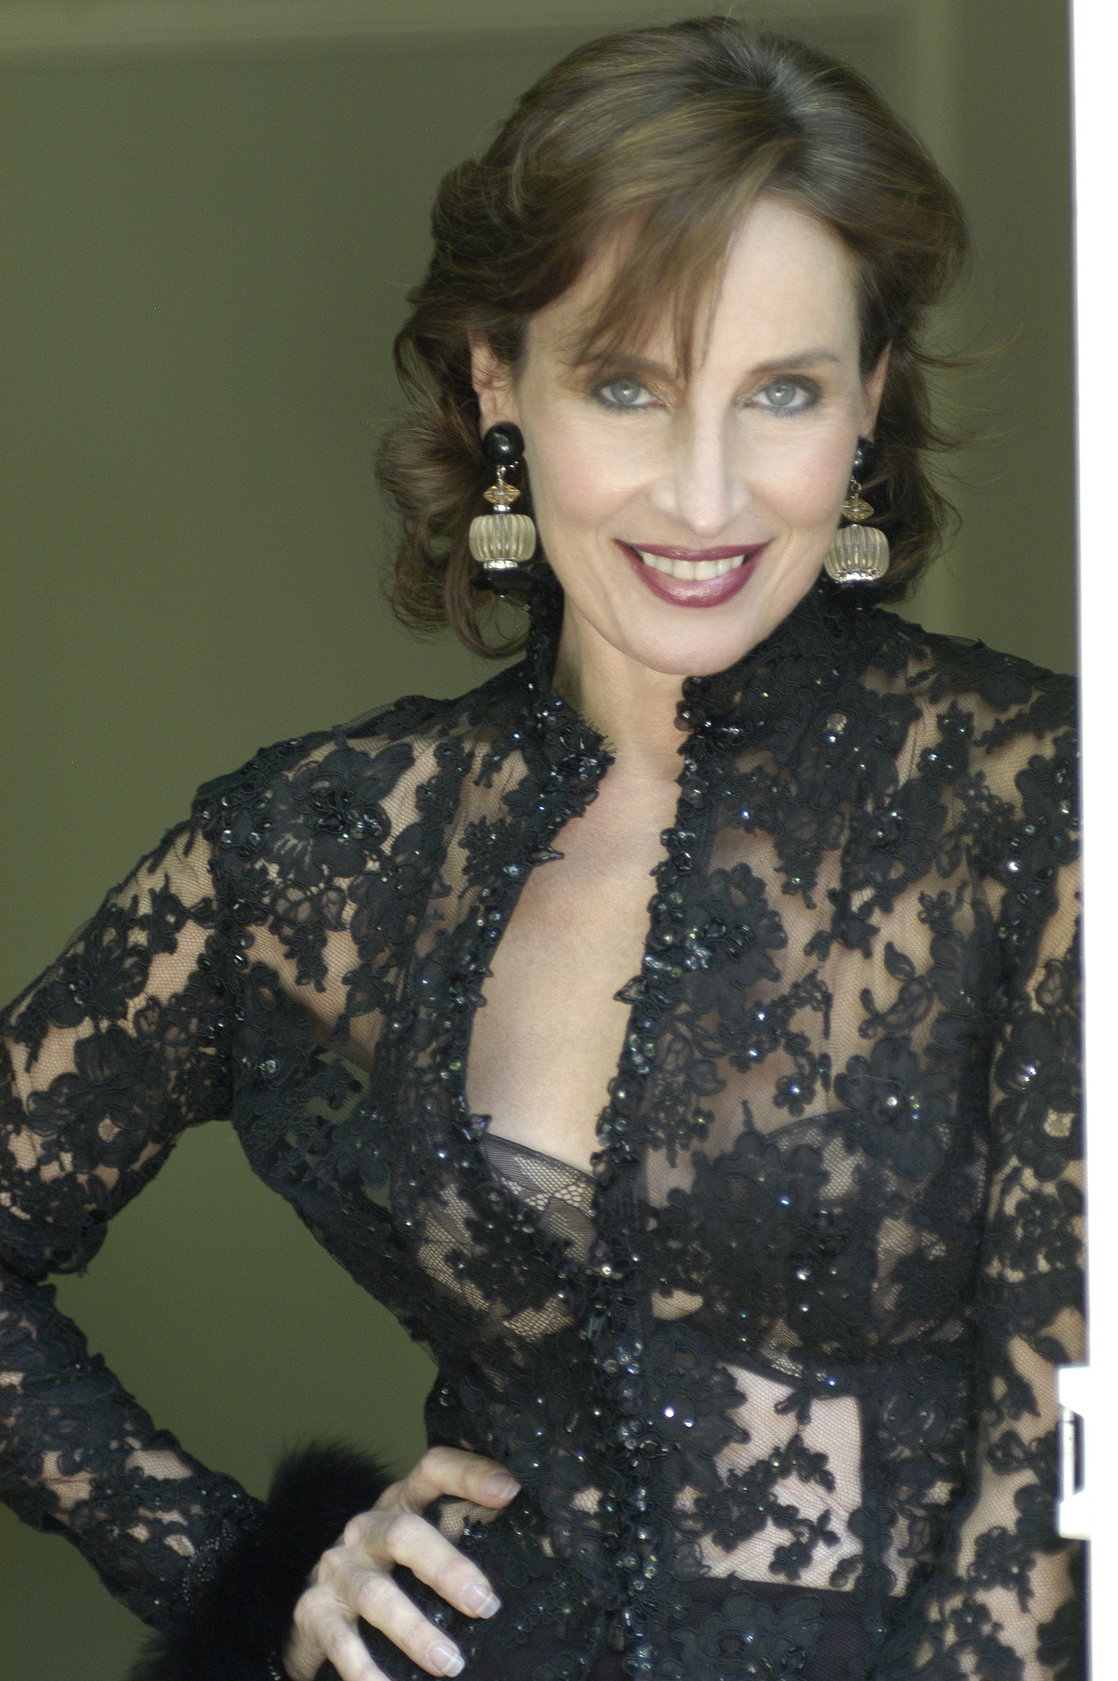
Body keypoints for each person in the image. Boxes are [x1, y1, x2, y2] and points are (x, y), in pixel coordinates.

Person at [0, 16, 1082, 1681]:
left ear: (868, 401)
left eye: (781, 391)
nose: (705, 496)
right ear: (497, 380)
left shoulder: (1038, 801)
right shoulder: (320, 848)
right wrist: (245, 1565)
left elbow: (1065, 1460)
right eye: (627, 384)